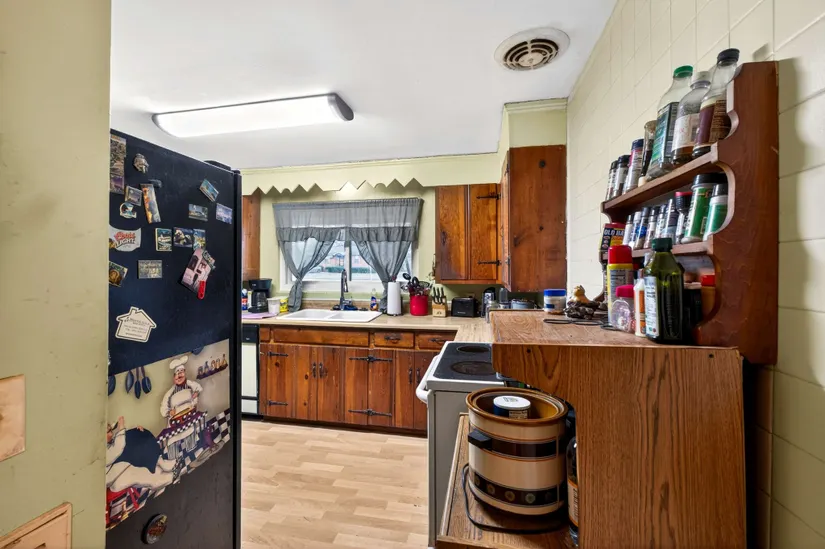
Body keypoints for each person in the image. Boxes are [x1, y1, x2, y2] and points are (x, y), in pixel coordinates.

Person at [106, 416, 177, 493]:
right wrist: (121, 428)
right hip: (115, 478)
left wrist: (136, 432)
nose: (111, 434)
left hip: (120, 467)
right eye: (108, 432)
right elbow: (116, 449)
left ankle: (162, 463)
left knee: (137, 443)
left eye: (111, 430)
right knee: (142, 474)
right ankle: (170, 476)